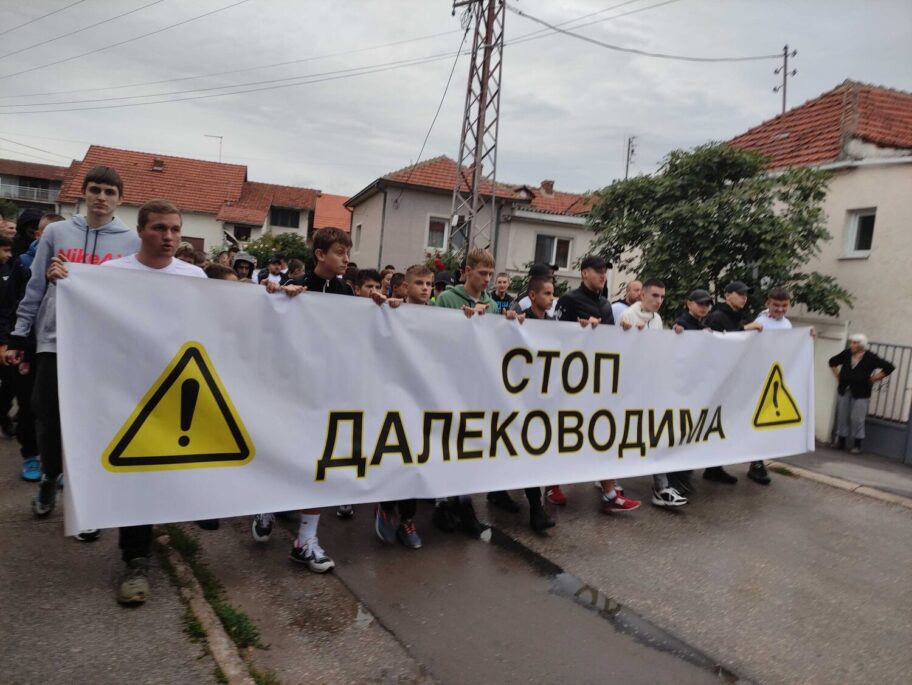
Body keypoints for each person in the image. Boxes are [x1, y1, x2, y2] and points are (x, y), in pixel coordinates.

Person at [7, 166, 139, 544]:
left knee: (96, 422)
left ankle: (87, 502)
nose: (101, 197)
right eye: (95, 190)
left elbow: (131, 294)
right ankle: (50, 477)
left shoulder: (129, 241)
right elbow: (33, 283)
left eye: (109, 192)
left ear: (119, 199)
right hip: (54, 338)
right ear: (84, 193)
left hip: (100, 345)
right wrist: (19, 334)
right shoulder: (57, 232)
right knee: (46, 413)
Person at [98, 198, 207, 603]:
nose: (169, 237)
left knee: (180, 465)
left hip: (182, 389)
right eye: (160, 228)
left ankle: (195, 511)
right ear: (140, 230)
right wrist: (66, 280)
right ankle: (136, 560)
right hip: (130, 390)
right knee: (138, 475)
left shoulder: (194, 275)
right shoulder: (110, 273)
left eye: (176, 230)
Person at [253, 228, 354, 574]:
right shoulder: (297, 285)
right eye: (339, 252)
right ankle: (267, 505)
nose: (345, 258)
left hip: (327, 390)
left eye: (347, 252)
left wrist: (384, 307)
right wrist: (275, 295)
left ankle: (305, 541)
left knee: (320, 462)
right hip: (291, 387)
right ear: (320, 254)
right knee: (285, 453)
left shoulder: (346, 291)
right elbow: (268, 323)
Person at [554, 256, 640, 514]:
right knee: (563, 433)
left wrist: (623, 332)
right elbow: (554, 336)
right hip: (570, 380)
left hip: (599, 379)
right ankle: (551, 484)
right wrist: (578, 329)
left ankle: (610, 492)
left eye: (605, 271)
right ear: (583, 273)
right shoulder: (569, 300)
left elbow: (609, 342)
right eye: (598, 270)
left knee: (604, 433)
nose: (603, 275)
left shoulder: (605, 304)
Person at [433, 248, 498, 536]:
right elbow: (433, 334)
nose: (487, 280)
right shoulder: (447, 299)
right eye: (482, 273)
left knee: (467, 445)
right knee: (445, 441)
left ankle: (460, 502)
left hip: (476, 383)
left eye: (490, 275)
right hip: (450, 380)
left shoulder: (492, 304)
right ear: (468, 271)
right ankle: (444, 502)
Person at [703, 281, 763, 485]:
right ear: (727, 295)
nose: (744, 297)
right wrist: (746, 329)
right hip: (715, 381)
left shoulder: (734, 317)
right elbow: (716, 342)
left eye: (746, 294)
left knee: (721, 425)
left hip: (728, 380)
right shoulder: (719, 316)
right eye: (739, 294)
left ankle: (714, 467)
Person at [0, 234, 40, 480]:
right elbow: (9, 306)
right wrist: (8, 341)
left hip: (60, 347)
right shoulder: (23, 263)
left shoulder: (74, 264)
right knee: (27, 404)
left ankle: (56, 462)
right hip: (26, 346)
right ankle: (30, 456)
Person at [829, 334, 895, 454]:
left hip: (862, 391)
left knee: (857, 418)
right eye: (852, 342)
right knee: (842, 415)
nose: (852, 345)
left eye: (855, 343)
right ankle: (841, 442)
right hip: (845, 389)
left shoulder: (870, 357)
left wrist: (874, 378)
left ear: (861, 345)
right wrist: (838, 376)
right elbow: (832, 362)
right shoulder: (847, 353)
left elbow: (889, 367)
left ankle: (857, 444)